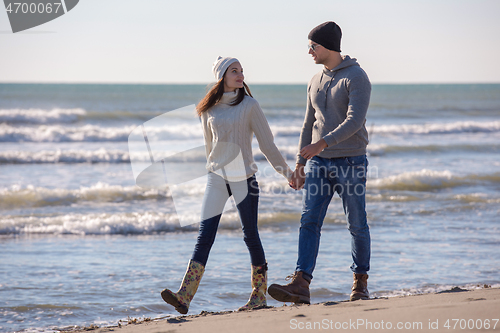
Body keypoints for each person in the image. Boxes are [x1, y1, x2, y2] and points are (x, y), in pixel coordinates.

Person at [161, 56, 294, 314]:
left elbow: (267, 145)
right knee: (204, 236)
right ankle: (184, 296)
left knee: (250, 235)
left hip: (245, 177)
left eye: (242, 70)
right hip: (217, 178)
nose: (241, 75)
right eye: (235, 71)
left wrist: (287, 173)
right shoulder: (207, 109)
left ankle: (259, 295)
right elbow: (209, 147)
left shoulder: (250, 105)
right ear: (222, 76)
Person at [268, 21, 372, 304]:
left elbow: (355, 121)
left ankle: (360, 282)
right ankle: (301, 282)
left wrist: (322, 143)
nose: (309, 51)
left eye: (312, 46)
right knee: (309, 220)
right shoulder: (315, 80)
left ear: (327, 46)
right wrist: (300, 163)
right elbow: (308, 124)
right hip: (317, 163)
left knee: (357, 223)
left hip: (351, 161)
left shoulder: (356, 77)